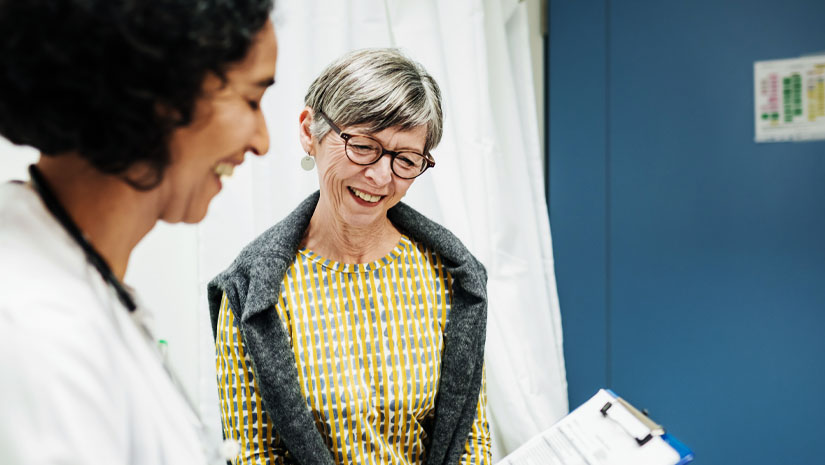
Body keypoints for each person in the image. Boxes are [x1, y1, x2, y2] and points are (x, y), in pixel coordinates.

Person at [0, 1, 277, 463]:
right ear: (159, 96)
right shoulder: (36, 329)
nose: (262, 142)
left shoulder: (75, 280)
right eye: (251, 100)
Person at [208, 48, 491, 465]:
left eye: (405, 159)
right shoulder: (251, 291)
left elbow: (469, 441)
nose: (380, 177)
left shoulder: (451, 277)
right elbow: (253, 455)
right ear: (310, 132)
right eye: (362, 146)